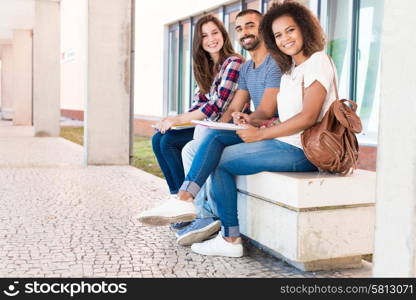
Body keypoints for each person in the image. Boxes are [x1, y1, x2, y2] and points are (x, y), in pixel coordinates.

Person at [142, 1, 338, 258]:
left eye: (290, 31)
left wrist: (261, 132)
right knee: (215, 143)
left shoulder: (318, 61)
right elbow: (274, 114)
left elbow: (308, 117)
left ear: (304, 29)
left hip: (304, 150)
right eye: (278, 35)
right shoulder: (290, 69)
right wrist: (248, 120)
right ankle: (194, 208)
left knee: (218, 159)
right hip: (284, 141)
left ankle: (217, 226)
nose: (285, 39)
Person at [139, 9, 282, 245]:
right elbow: (231, 106)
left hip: (268, 130)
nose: (244, 31)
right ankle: (187, 205)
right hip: (236, 124)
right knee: (169, 141)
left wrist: (224, 124)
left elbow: (260, 111)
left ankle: (192, 206)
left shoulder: (249, 63)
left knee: (202, 145)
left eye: (250, 25)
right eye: (240, 28)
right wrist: (230, 121)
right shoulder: (245, 68)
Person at [149, 14, 243, 216]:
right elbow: (198, 105)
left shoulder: (233, 62)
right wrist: (171, 121)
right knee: (158, 139)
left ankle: (185, 204)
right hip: (205, 125)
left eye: (215, 33)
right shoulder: (205, 68)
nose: (211, 39)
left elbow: (217, 105)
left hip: (222, 127)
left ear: (224, 35)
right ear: (199, 41)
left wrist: (178, 119)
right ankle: (176, 199)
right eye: (205, 35)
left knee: (168, 143)